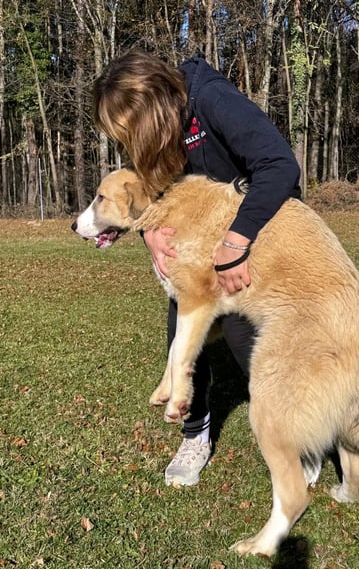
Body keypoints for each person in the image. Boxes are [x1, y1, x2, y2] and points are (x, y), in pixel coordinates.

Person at [91, 50, 301, 486]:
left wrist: (236, 243)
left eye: (131, 133)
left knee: (247, 339)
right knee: (182, 335)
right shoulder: (157, 131)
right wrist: (150, 234)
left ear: (153, 108)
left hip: (260, 234)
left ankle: (297, 435)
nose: (130, 145)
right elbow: (153, 190)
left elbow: (279, 166)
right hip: (202, 246)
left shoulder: (212, 100)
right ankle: (195, 434)